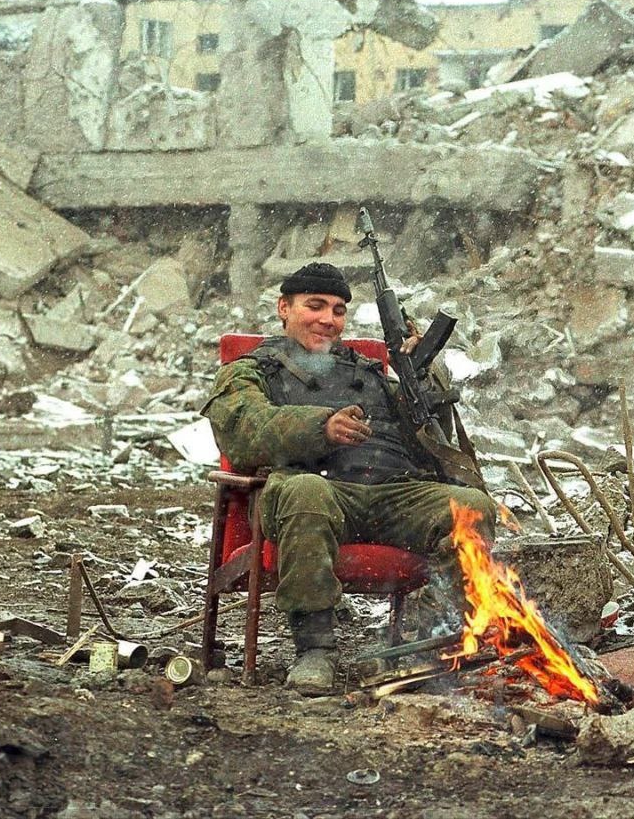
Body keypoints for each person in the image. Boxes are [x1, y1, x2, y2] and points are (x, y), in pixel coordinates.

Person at [202, 262, 497, 696]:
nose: (328, 319)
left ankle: (433, 644)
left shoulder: (370, 372)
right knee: (307, 492)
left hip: (392, 494)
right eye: (315, 306)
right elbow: (243, 430)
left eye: (338, 311)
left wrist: (422, 377)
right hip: (312, 490)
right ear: (284, 308)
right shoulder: (252, 369)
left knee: (471, 507)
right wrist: (320, 428)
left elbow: (431, 440)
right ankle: (314, 649)